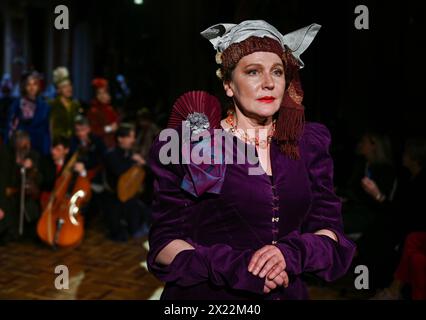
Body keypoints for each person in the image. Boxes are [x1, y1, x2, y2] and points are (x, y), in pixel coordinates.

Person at [147, 20, 355, 300]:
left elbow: (330, 232)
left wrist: (290, 254)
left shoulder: (307, 144)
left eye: (278, 72)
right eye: (253, 72)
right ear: (229, 85)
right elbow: (163, 245)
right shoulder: (192, 147)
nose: (268, 83)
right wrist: (237, 268)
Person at [340, 131, 396, 235]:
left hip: (370, 216)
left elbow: (379, 203)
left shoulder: (385, 170)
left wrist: (350, 197)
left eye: (363, 142)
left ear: (374, 145)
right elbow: (352, 189)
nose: (360, 144)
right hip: (354, 209)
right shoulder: (361, 164)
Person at [103, 123, 149, 242]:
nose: (133, 140)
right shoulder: (111, 154)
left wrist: (142, 163)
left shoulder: (129, 154)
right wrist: (134, 162)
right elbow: (119, 170)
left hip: (128, 195)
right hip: (114, 198)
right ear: (120, 139)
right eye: (130, 137)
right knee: (119, 235)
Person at [0, 130, 42, 242]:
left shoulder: (30, 154)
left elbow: (35, 156)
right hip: (6, 196)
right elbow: (2, 183)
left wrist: (31, 162)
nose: (26, 147)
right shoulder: (5, 155)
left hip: (23, 197)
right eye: (22, 145)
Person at [5, 71, 51, 155]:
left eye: (34, 84)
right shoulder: (17, 105)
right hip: (20, 148)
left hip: (39, 149)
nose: (32, 87)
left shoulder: (45, 107)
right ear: (24, 87)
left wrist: (46, 150)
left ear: (38, 87)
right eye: (28, 84)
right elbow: (10, 128)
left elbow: (46, 131)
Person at [49, 67, 82, 141]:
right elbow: (50, 126)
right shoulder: (52, 105)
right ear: (58, 90)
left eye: (70, 85)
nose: (69, 89)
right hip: (58, 143)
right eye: (64, 87)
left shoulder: (75, 105)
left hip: (73, 142)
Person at [87, 78, 119, 149]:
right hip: (101, 146)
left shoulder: (111, 109)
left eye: (104, 93)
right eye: (99, 93)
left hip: (112, 144)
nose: (102, 96)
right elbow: (94, 130)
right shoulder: (93, 111)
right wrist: (109, 128)